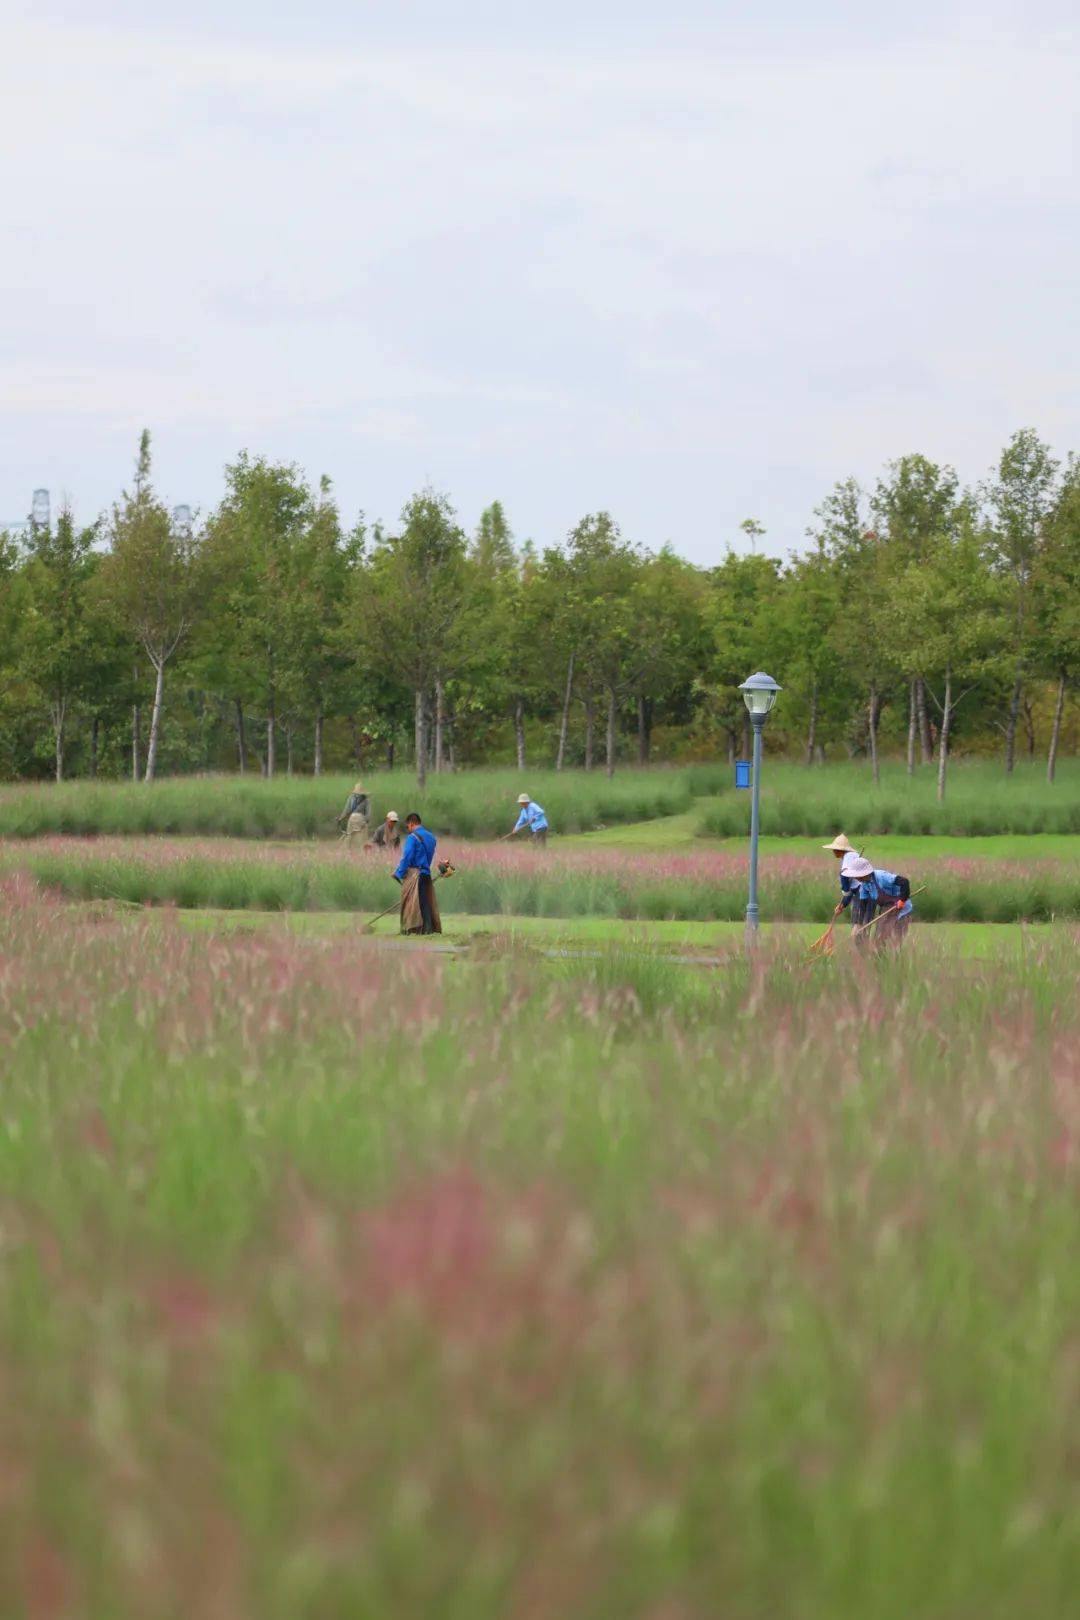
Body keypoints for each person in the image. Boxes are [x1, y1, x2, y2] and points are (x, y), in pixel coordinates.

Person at [838, 854, 913, 951]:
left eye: (856, 875)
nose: (855, 878)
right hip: (887, 909)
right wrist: (859, 924)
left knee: (895, 941)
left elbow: (904, 882)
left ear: (863, 873)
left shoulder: (881, 877)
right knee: (878, 938)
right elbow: (863, 904)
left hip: (902, 909)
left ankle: (896, 962)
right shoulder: (864, 886)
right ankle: (879, 962)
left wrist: (902, 901)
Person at [394, 813, 441, 935]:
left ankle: (419, 929)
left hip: (415, 874)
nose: (408, 830)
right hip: (426, 873)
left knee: (416, 904)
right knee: (426, 902)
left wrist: (399, 873)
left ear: (411, 823)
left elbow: (407, 856)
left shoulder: (412, 837)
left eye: (407, 827)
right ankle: (428, 929)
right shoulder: (431, 837)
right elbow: (429, 856)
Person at [337, 782, 370, 848]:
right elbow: (346, 809)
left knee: (354, 837)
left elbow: (346, 810)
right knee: (356, 837)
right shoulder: (362, 799)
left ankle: (352, 850)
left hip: (356, 820)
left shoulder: (355, 798)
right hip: (356, 819)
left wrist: (341, 818)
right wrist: (341, 818)